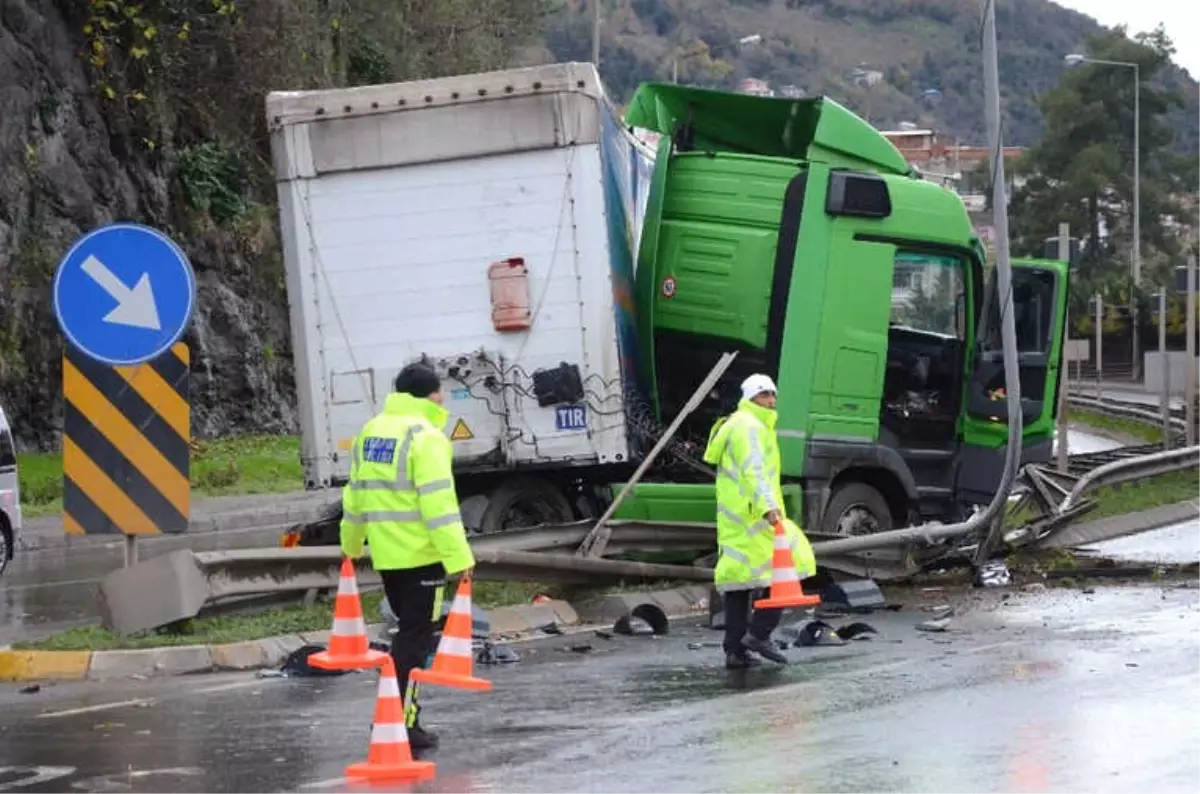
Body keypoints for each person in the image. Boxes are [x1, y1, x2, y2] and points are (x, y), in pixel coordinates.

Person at [340, 362, 475, 749]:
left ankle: (396, 717)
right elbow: (440, 506)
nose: (443, 398)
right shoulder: (427, 437)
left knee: (407, 635)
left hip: (387, 555)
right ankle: (402, 722)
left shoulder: (371, 430)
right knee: (414, 642)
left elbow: (355, 496)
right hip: (422, 556)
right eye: (440, 393)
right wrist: (459, 558)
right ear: (431, 395)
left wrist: (351, 546)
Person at [703, 373, 790, 670]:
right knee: (783, 575)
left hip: (737, 518)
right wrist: (769, 508)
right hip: (755, 516)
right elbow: (754, 471)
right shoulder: (749, 427)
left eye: (773, 395)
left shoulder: (741, 424)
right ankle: (759, 634)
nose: (771, 400)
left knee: (739, 585)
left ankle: (735, 651)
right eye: (764, 395)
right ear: (750, 397)